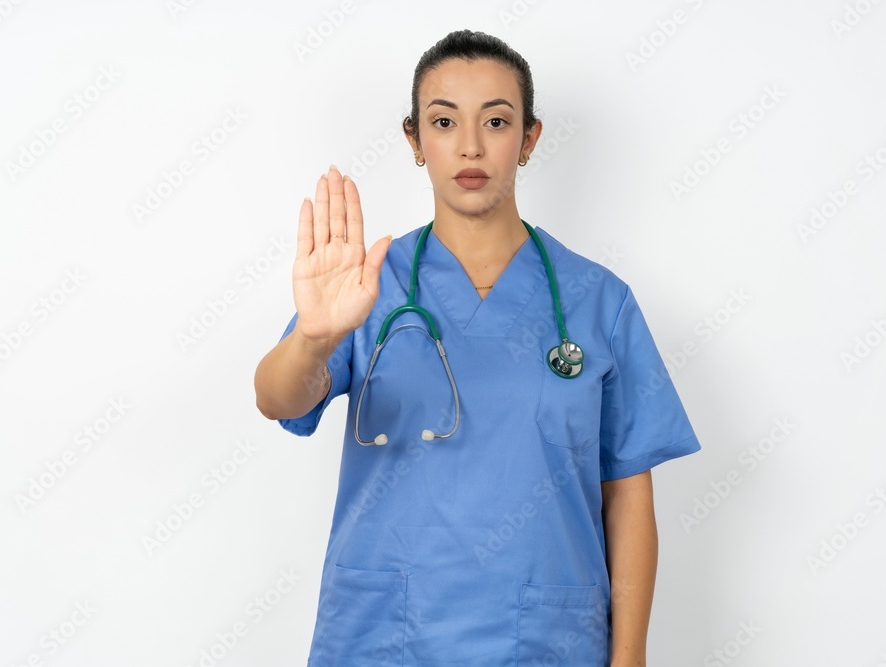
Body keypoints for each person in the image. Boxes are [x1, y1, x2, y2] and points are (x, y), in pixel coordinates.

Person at [254, 29, 701, 667]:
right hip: (384, 634)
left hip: (545, 639)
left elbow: (628, 490)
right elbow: (278, 398)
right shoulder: (367, 286)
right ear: (415, 141)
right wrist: (315, 336)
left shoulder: (598, 301)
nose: (470, 146)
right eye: (443, 121)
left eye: (496, 121)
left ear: (528, 139)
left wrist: (629, 658)